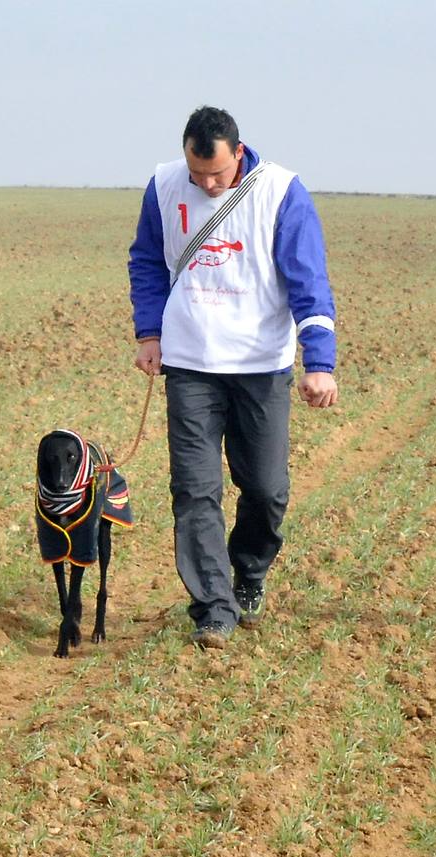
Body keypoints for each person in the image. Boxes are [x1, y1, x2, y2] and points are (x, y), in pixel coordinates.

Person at [127, 106, 338, 650]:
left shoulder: (281, 192)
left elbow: (308, 279)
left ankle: (248, 571)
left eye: (217, 174)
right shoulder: (164, 185)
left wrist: (319, 362)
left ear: (238, 153)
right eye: (198, 175)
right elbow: (147, 259)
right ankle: (213, 609)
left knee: (266, 490)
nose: (207, 184)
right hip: (190, 363)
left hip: (261, 365)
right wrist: (150, 332)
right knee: (196, 491)